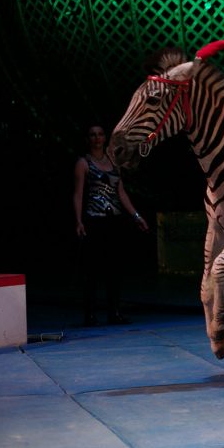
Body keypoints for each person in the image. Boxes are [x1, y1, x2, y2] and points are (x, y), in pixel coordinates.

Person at [73, 124, 149, 326]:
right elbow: (78, 193)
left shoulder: (114, 161)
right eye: (92, 135)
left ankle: (114, 312)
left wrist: (136, 216)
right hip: (94, 220)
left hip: (113, 221)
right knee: (92, 270)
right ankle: (90, 314)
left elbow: (121, 192)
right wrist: (78, 220)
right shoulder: (84, 162)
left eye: (99, 134)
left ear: (105, 137)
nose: (96, 138)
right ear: (88, 138)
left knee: (114, 268)